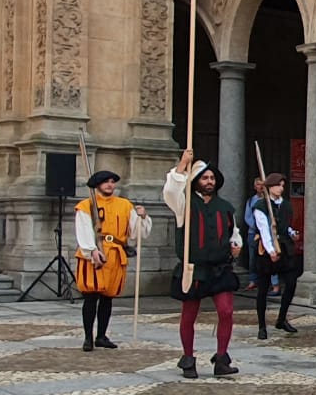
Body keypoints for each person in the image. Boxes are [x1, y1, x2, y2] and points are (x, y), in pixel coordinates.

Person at [164, 149, 242, 379]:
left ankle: (221, 358)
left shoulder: (225, 207)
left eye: (212, 178)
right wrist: (182, 165)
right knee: (189, 315)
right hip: (193, 268)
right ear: (195, 181)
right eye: (204, 178)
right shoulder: (183, 203)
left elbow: (233, 233)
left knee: (226, 312)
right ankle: (188, 358)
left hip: (220, 268)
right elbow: (170, 190)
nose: (209, 182)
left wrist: (235, 247)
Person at [74, 169, 150, 351]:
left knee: (108, 297)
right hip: (94, 253)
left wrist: (142, 217)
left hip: (115, 253)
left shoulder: (124, 205)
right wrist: (91, 250)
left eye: (112, 181)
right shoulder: (86, 206)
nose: (110, 185)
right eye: (106, 182)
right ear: (98, 185)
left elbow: (135, 232)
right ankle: (88, 337)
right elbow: (83, 230)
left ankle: (101, 335)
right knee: (91, 296)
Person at [251, 172, 299, 339]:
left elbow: (285, 225)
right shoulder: (260, 206)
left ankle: (281, 319)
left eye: (282, 186)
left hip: (285, 248)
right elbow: (264, 230)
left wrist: (292, 233)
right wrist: (271, 250)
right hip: (267, 251)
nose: (281, 188)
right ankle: (262, 326)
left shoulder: (285, 205)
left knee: (291, 283)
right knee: (263, 288)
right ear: (270, 187)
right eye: (278, 185)